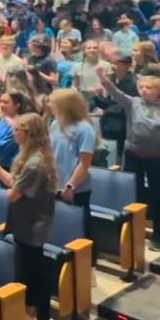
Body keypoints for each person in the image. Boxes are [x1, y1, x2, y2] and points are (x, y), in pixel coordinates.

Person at [0, 113, 57, 320]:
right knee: (26, 271)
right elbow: (14, 183)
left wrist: (9, 184)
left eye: (17, 130)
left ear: (29, 133)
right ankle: (30, 313)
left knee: (36, 273)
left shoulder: (35, 163)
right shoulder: (27, 155)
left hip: (34, 225)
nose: (13, 133)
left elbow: (13, 193)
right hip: (24, 223)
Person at [98, 71, 160, 250]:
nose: (144, 90)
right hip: (133, 156)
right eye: (141, 87)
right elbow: (117, 94)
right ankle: (133, 230)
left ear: (159, 91)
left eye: (149, 88)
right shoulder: (133, 103)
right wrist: (104, 81)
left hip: (158, 158)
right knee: (133, 194)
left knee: (159, 196)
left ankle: (159, 234)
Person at [48, 89, 95, 238]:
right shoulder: (55, 124)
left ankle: (87, 259)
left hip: (75, 188)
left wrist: (70, 186)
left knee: (81, 230)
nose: (50, 105)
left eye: (53, 103)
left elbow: (84, 163)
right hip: (55, 184)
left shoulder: (85, 129)